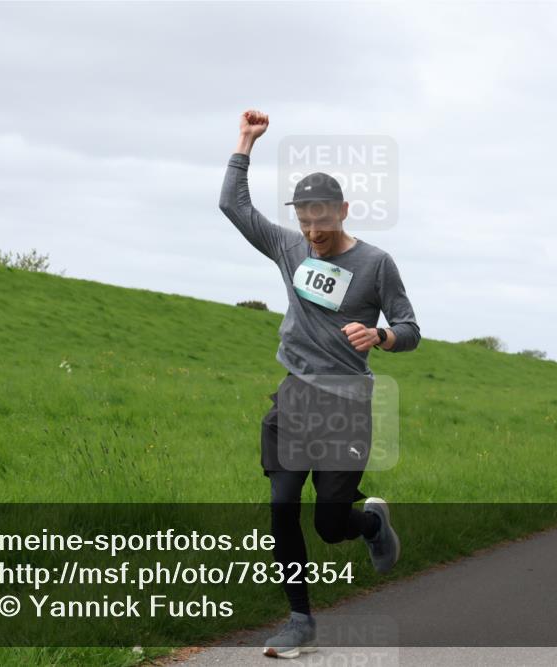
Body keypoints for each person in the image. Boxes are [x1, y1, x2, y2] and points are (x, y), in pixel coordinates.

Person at [219, 109, 421, 659]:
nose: (313, 233)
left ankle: (371, 522)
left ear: (343, 212)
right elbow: (233, 206)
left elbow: (411, 330)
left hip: (347, 404)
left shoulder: (376, 264)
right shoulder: (290, 248)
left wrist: (380, 337)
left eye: (322, 222)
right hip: (295, 396)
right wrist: (245, 143)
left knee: (331, 524)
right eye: (305, 221)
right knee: (282, 505)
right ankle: (299, 621)